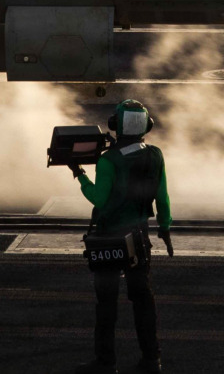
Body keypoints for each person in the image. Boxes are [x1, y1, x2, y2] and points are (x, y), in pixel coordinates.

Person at [70, 100, 173, 374]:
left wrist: (80, 175)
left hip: (109, 238)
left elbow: (99, 199)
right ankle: (152, 360)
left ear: (115, 126)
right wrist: (165, 227)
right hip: (139, 236)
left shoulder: (108, 160)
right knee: (143, 299)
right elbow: (162, 197)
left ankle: (106, 363)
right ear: (147, 127)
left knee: (106, 304)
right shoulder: (156, 155)